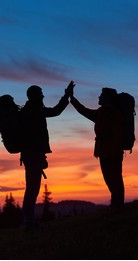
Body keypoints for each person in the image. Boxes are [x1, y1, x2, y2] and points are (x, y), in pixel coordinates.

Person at [20, 82, 73, 230]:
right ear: (35, 96)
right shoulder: (34, 109)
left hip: (30, 154)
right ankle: (28, 222)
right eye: (41, 93)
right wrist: (67, 95)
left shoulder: (28, 109)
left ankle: (28, 220)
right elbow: (56, 111)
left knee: (31, 187)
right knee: (32, 188)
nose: (43, 96)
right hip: (33, 155)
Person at [67, 82, 125, 208]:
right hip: (107, 151)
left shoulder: (109, 113)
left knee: (113, 180)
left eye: (101, 95)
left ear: (107, 98)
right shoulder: (104, 112)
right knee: (113, 180)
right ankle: (117, 206)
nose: (98, 97)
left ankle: (117, 207)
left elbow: (116, 133)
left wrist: (114, 151)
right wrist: (72, 97)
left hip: (110, 152)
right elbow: (84, 111)